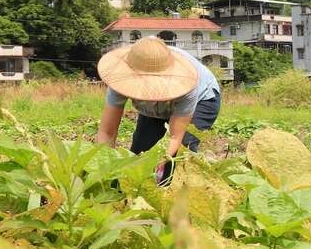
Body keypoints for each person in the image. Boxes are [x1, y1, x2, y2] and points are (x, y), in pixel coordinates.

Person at [95, 36, 221, 183]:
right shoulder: (120, 80)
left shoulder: (187, 86)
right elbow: (107, 131)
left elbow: (175, 137)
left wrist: (157, 165)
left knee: (178, 158)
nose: (148, 88)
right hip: (153, 109)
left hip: (202, 100)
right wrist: (104, 168)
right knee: (138, 157)